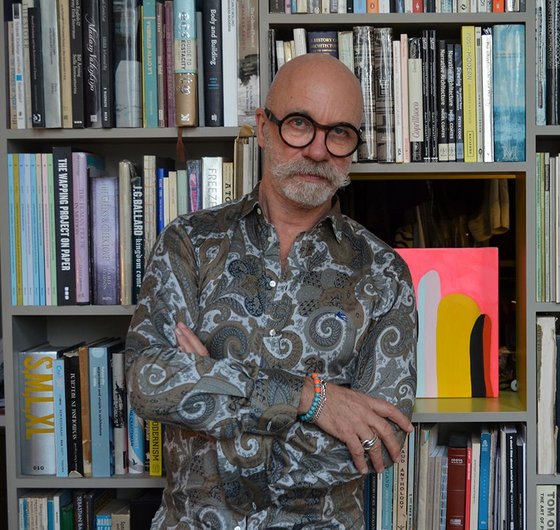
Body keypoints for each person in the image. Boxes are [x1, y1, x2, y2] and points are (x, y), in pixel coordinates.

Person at [125, 53, 418, 529]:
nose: (319, 151)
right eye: (300, 124)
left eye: (339, 133)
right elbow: (147, 382)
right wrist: (311, 400)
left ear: (354, 147)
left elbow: (373, 445)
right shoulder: (190, 244)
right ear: (263, 127)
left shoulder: (385, 274)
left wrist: (210, 383)